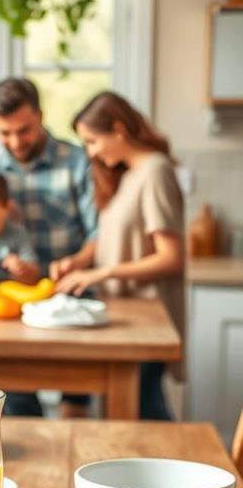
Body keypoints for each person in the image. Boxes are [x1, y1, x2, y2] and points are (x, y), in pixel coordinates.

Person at [51, 91, 185, 421]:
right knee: (133, 410)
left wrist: (102, 274)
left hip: (147, 317)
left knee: (147, 412)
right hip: (124, 315)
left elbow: (171, 258)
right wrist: (80, 263)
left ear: (119, 128)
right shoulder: (127, 173)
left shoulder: (156, 171)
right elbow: (117, 238)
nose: (91, 151)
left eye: (94, 141)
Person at [0, 77, 98, 416]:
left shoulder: (77, 162)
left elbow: (98, 233)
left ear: (41, 116)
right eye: (5, 133)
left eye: (24, 130)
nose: (15, 141)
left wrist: (77, 261)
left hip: (69, 294)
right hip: (13, 298)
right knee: (17, 405)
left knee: (74, 402)